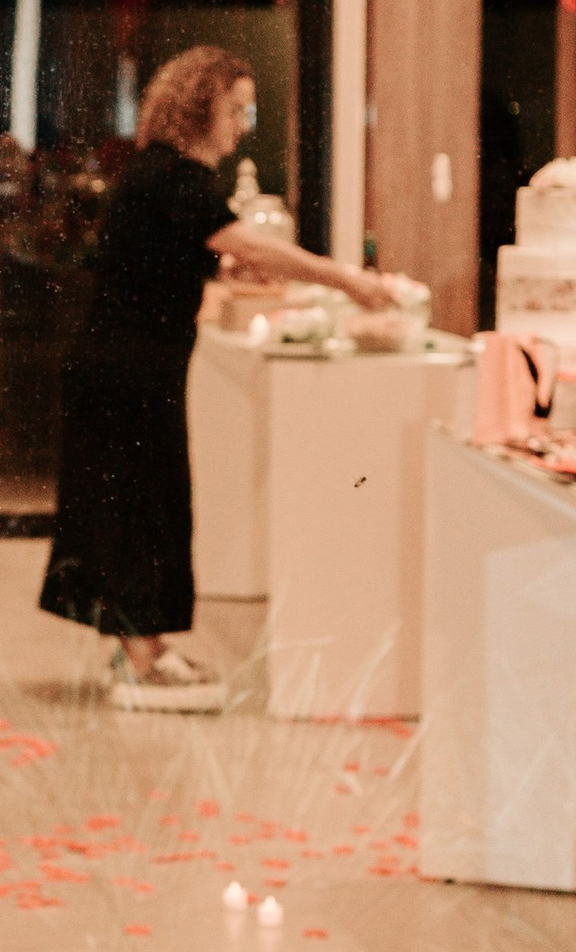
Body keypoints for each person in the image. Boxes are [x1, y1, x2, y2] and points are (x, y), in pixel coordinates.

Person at [40, 46, 402, 712]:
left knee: (136, 504)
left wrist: (221, 271)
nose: (243, 125)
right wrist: (346, 278)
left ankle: (138, 643)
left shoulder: (163, 175)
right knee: (145, 504)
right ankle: (144, 654)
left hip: (122, 365)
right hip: (129, 369)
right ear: (199, 107)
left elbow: (170, 258)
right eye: (235, 109)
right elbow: (253, 244)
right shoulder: (179, 178)